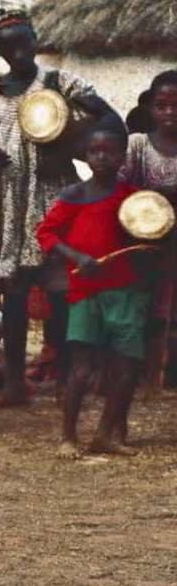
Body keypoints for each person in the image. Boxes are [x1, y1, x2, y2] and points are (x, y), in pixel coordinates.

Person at [0, 13, 110, 403]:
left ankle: (63, 378)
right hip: (2, 206)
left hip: (49, 199)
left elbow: (108, 121)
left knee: (59, 290)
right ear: (0, 50)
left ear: (36, 40)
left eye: (25, 43)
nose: (19, 52)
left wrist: (68, 149)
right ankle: (14, 384)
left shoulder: (59, 83)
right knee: (14, 292)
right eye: (10, 46)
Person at [36, 122, 148, 457]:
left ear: (120, 157)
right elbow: (46, 234)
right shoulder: (75, 195)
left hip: (126, 291)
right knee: (81, 367)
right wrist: (77, 256)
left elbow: (151, 227)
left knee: (126, 366)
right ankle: (68, 437)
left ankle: (105, 435)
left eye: (109, 151)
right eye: (95, 151)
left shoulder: (132, 197)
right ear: (85, 157)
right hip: (85, 291)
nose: (101, 157)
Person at [120, 69, 177, 384]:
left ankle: (169, 373)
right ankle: (141, 371)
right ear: (151, 108)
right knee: (144, 305)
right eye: (162, 105)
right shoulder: (138, 145)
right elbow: (118, 189)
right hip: (140, 241)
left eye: (176, 105)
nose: (169, 112)